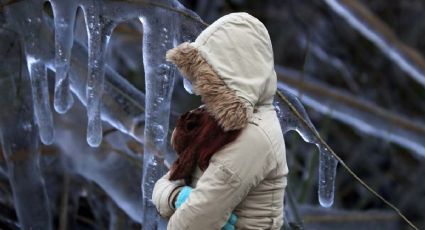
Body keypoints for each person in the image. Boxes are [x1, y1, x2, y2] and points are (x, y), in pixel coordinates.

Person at [152, 12, 288, 230]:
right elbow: (161, 185)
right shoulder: (211, 123)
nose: (199, 88)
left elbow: (192, 223)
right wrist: (177, 196)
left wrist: (182, 201)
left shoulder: (253, 136)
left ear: (237, 74)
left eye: (211, 76)